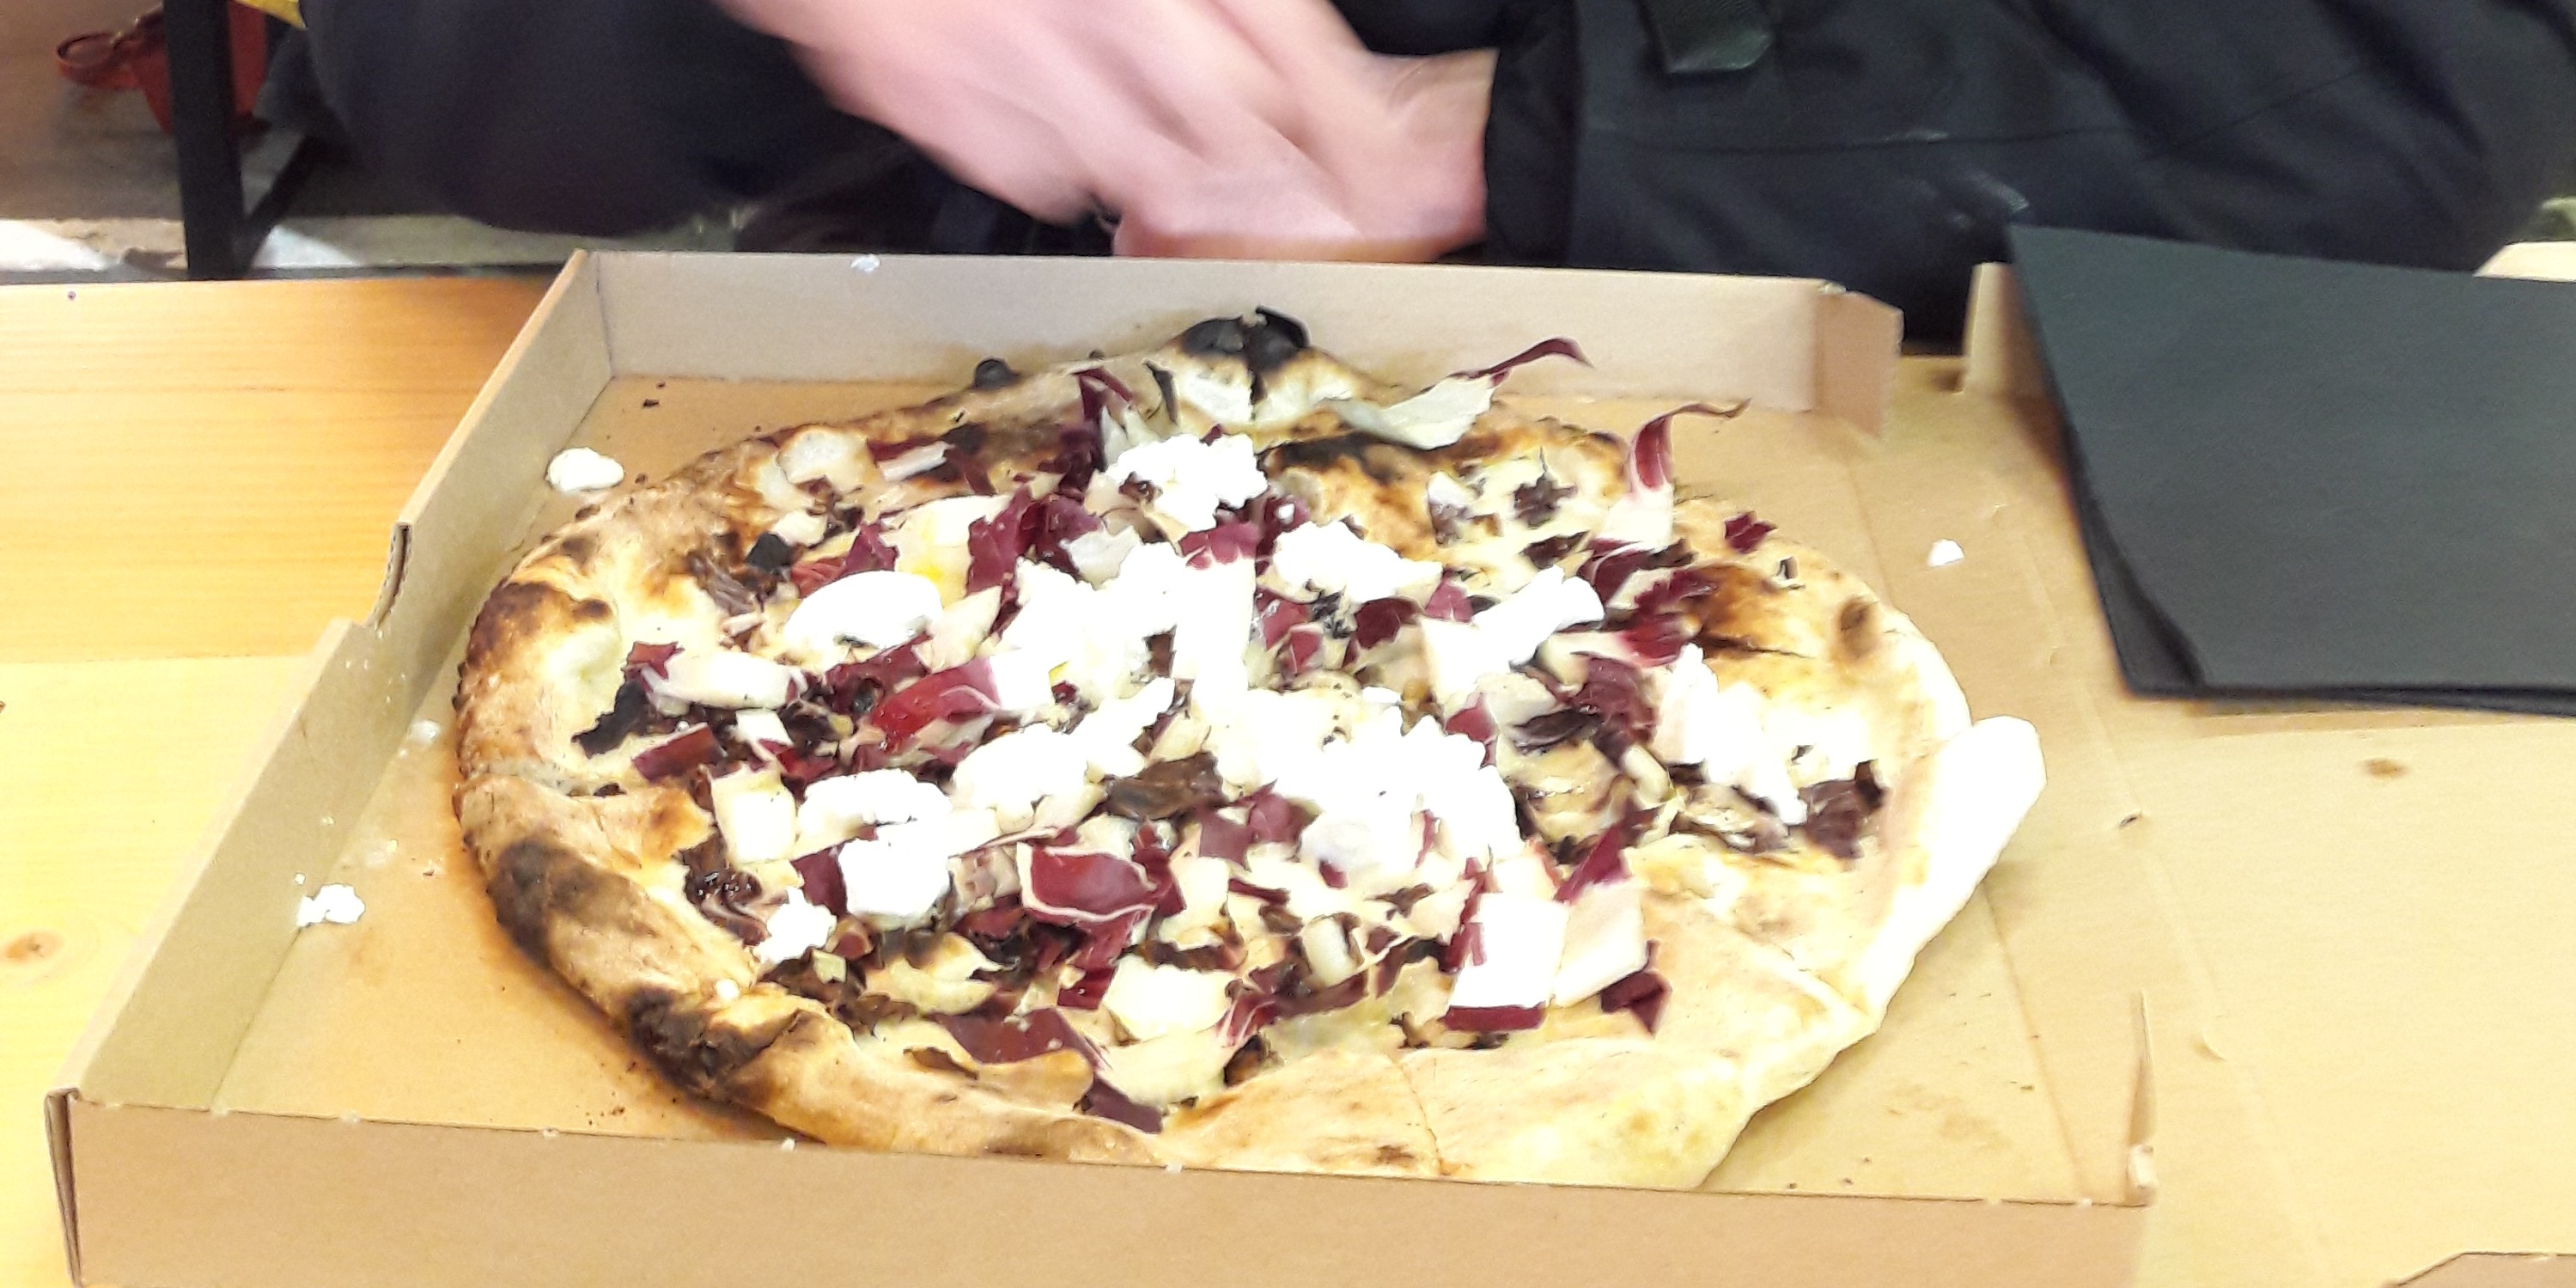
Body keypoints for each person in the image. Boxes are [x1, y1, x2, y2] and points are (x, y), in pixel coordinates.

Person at [273, 0, 2576, 338]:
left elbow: (2437, 64)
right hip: (968, 389)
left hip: (1892, 382)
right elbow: (441, 71)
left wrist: (1505, 128)